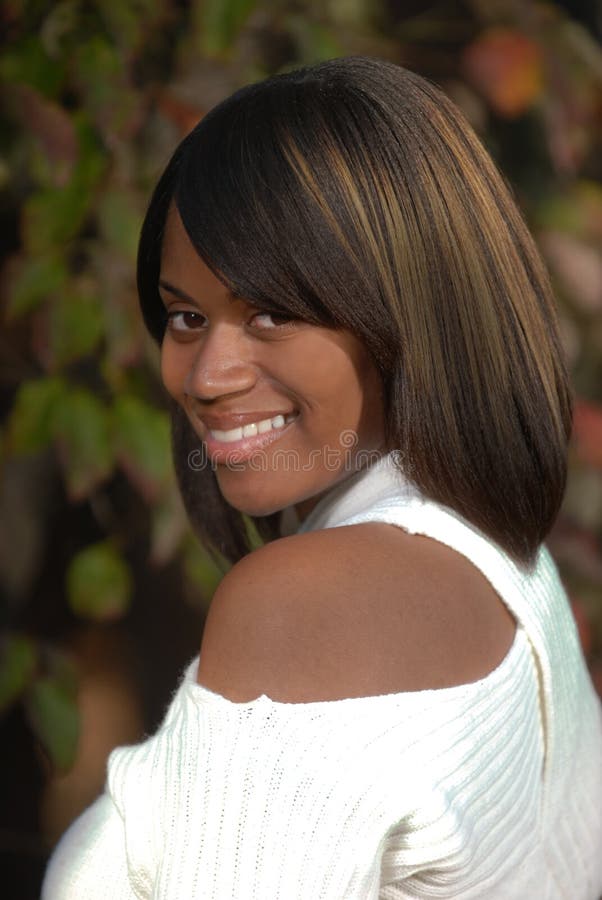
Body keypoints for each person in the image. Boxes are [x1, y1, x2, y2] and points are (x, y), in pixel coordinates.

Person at [43, 56, 602, 899]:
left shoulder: (305, 602)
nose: (206, 374)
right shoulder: (506, 560)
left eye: (272, 312)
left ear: (409, 305)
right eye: (187, 317)